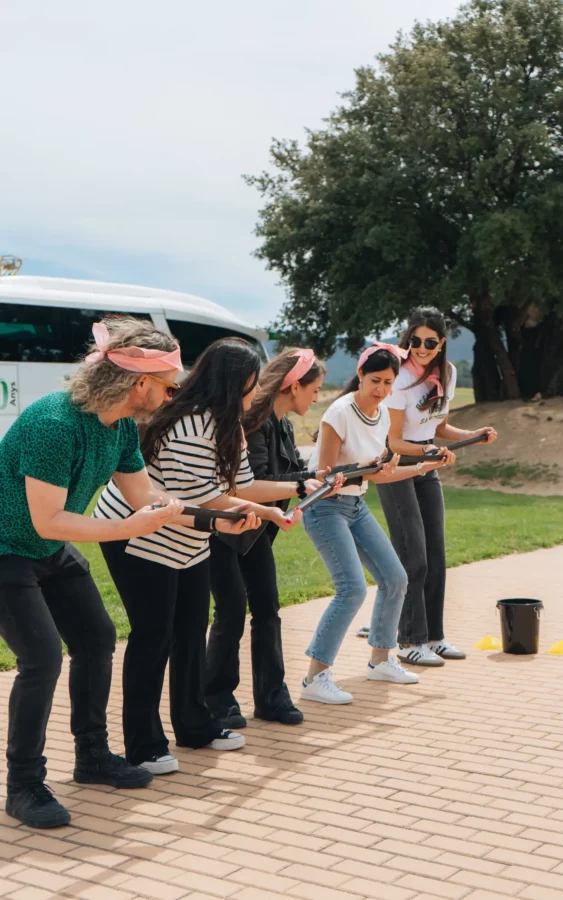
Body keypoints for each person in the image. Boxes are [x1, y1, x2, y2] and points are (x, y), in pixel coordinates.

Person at [0, 317, 187, 829]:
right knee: (40, 658)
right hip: (7, 549)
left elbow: (145, 498)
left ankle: (91, 756)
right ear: (138, 383)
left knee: (97, 637)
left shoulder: (121, 426)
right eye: (169, 385)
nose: (172, 395)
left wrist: (212, 514)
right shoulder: (54, 425)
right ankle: (23, 786)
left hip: (49, 548)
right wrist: (132, 527)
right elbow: (49, 518)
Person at [95, 338, 305, 776]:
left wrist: (270, 507)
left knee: (190, 629)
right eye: (249, 386)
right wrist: (245, 512)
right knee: (154, 635)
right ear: (229, 386)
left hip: (189, 536)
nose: (254, 394)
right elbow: (205, 500)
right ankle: (143, 743)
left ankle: (194, 725)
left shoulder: (230, 425)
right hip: (137, 534)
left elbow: (239, 488)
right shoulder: (191, 426)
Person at [300, 343, 448, 705]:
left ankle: (380, 660)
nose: (381, 389)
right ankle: (315, 678)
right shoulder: (339, 412)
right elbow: (328, 476)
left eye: (388, 382)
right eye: (375, 380)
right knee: (352, 589)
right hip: (326, 508)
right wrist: (370, 470)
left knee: (396, 578)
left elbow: (379, 476)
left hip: (356, 505)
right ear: (361, 377)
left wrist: (423, 467)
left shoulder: (381, 415)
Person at [206, 348, 327, 729]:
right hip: (225, 533)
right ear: (293, 387)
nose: (317, 397)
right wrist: (300, 484)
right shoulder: (254, 424)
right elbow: (248, 486)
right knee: (230, 612)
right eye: (315, 389)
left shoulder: (282, 424)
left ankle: (272, 697)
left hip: (256, 533)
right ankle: (217, 700)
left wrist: (330, 476)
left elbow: (291, 474)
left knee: (268, 611)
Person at [374, 307, 498, 666]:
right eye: (415, 340)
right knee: (414, 555)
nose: (421, 348)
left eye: (430, 342)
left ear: (442, 342)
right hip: (398, 466)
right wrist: (429, 452)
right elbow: (394, 441)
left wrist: (472, 435)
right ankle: (409, 641)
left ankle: (433, 636)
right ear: (407, 339)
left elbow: (440, 428)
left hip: (428, 465)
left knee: (436, 555)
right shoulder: (398, 378)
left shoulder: (448, 373)